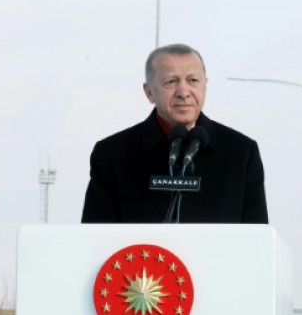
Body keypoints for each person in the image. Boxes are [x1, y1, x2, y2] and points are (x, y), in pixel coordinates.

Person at [81, 43, 268, 223]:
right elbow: (95, 239)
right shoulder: (112, 154)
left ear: (205, 85)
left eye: (193, 80)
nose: (183, 92)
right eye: (171, 82)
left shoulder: (241, 152)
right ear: (149, 92)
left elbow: (258, 241)